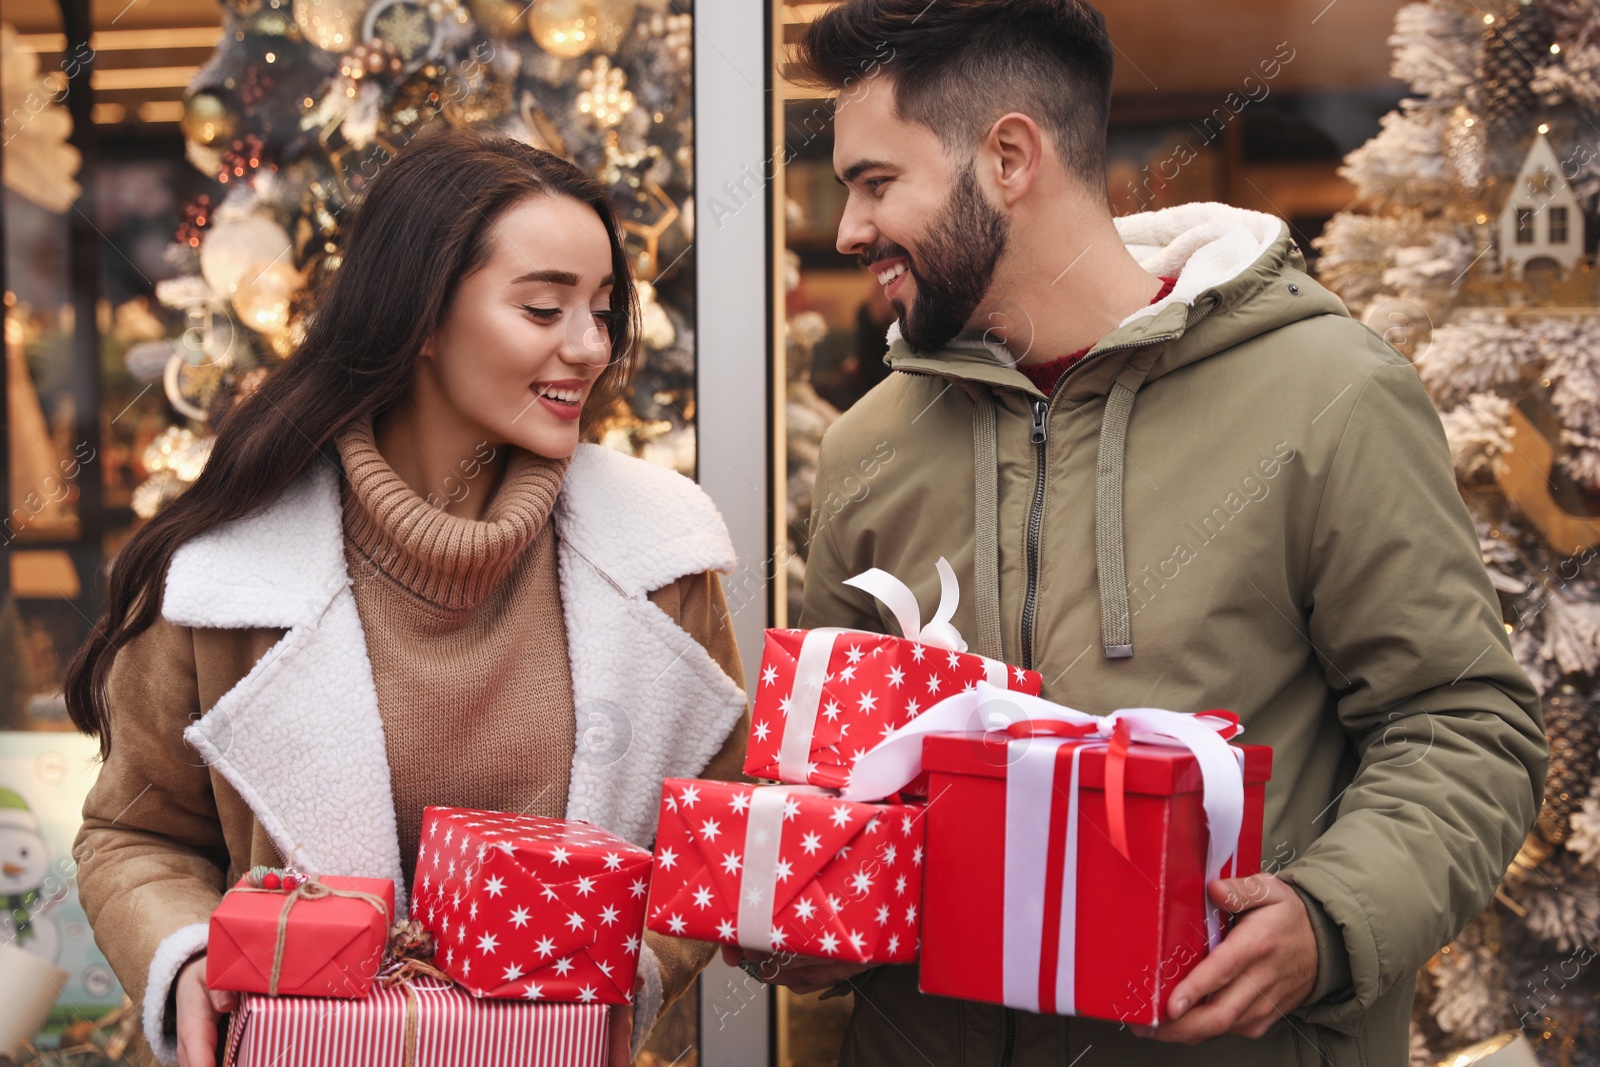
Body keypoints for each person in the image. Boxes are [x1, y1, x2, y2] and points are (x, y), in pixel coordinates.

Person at [722, 2, 1550, 1065]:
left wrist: (1328, 916)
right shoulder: (869, 442)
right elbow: (834, 773)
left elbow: (1462, 722)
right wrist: (807, 902)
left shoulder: (1330, 394)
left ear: (1008, 156)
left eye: (876, 182)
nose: (846, 231)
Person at [65, 126, 750, 1067]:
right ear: (419, 318)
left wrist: (624, 966)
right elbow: (133, 834)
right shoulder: (227, 571)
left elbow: (707, 837)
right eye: (545, 307)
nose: (590, 346)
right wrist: (187, 959)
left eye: (602, 309)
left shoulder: (661, 554)